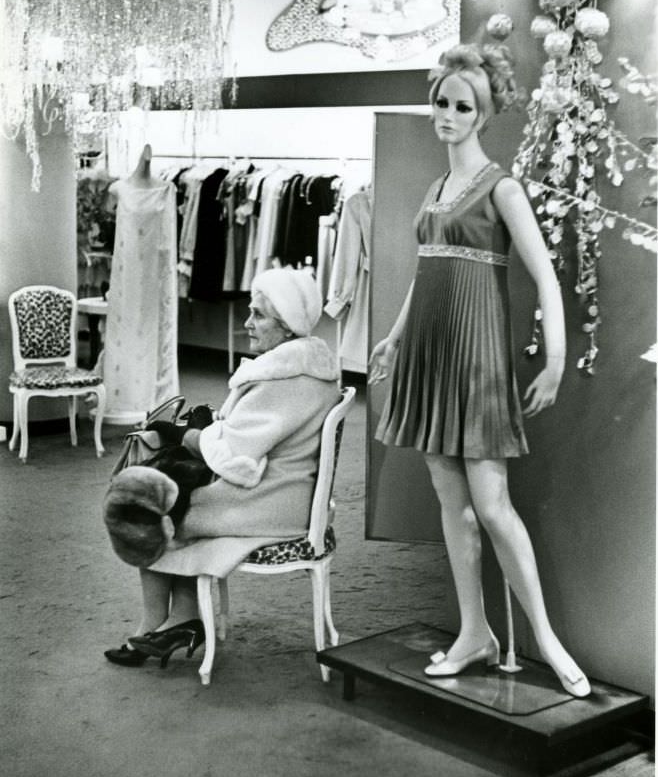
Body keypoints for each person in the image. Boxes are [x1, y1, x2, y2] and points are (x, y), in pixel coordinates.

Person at [369, 43, 590, 698]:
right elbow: (427, 269)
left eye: (462, 106)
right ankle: (473, 632)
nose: (447, 115)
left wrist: (553, 359)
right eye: (441, 101)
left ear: (483, 113)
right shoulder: (437, 189)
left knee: (493, 507)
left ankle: (545, 638)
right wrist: (394, 336)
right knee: (451, 503)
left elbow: (545, 275)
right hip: (430, 357)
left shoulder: (503, 187)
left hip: (475, 361)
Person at [104, 267, 341, 667]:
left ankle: (162, 621)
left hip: (267, 501)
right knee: (168, 490)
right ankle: (179, 619)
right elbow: (251, 436)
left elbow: (235, 456)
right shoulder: (307, 368)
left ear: (285, 326)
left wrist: (184, 435)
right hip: (283, 490)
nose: (247, 323)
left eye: (258, 315)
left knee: (149, 504)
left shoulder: (283, 379)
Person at [103, 143, 179, 424]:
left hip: (154, 275)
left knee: (151, 331)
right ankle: (124, 394)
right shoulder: (119, 188)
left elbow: (168, 238)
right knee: (125, 329)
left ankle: (152, 395)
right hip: (126, 270)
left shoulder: (166, 189)